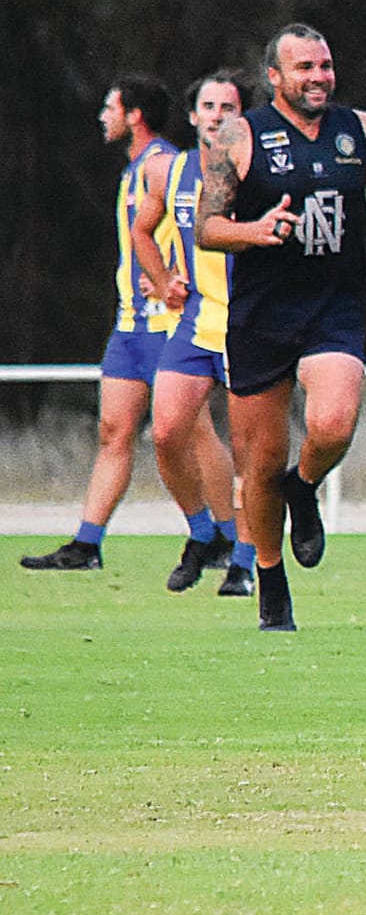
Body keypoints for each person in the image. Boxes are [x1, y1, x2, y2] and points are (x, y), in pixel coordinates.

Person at [196, 24, 366, 632]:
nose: (318, 78)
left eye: (325, 66)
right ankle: (270, 579)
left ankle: (305, 486)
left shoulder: (360, 131)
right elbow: (207, 227)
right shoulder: (239, 137)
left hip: (333, 307)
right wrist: (255, 231)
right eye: (304, 68)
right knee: (261, 466)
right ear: (274, 77)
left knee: (334, 422)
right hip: (261, 315)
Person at [22, 78, 196, 575]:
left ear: (135, 115)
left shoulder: (163, 164)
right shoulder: (132, 171)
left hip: (167, 324)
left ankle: (218, 535)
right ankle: (86, 544)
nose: (103, 116)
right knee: (113, 432)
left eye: (110, 107)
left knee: (187, 436)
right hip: (130, 326)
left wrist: (169, 277)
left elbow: (192, 227)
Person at [130, 72, 256, 597]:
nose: (217, 116)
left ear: (243, 115)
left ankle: (245, 561)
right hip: (197, 323)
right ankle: (203, 533)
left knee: (250, 453)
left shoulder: (257, 169)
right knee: (165, 433)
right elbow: (141, 231)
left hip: (248, 325)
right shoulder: (170, 169)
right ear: (192, 115)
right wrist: (163, 281)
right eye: (208, 106)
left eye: (228, 106)